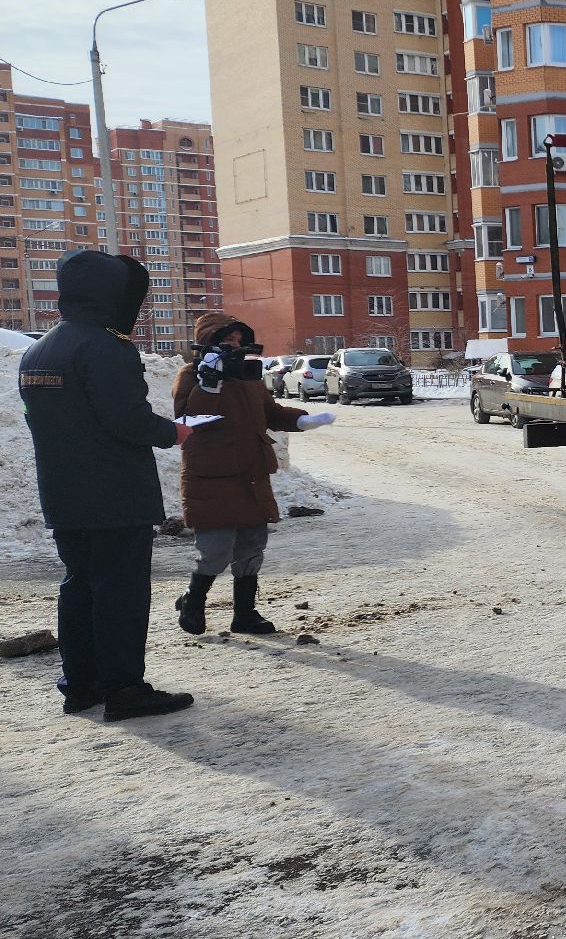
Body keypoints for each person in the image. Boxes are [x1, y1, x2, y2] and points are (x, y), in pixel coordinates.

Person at [18, 249, 194, 722]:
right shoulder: (106, 347)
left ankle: (81, 684)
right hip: (115, 496)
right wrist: (172, 432)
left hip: (64, 494)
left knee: (79, 588)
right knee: (120, 592)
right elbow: (126, 420)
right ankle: (125, 689)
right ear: (111, 296)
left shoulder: (41, 348)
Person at [170, 313, 336, 636]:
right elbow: (187, 419)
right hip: (212, 478)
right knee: (216, 550)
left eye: (238, 341)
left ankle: (244, 614)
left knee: (251, 547)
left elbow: (270, 412)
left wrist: (303, 421)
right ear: (207, 344)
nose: (235, 346)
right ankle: (194, 600)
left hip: (251, 476)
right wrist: (209, 383)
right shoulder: (189, 375)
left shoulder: (249, 377)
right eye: (226, 341)